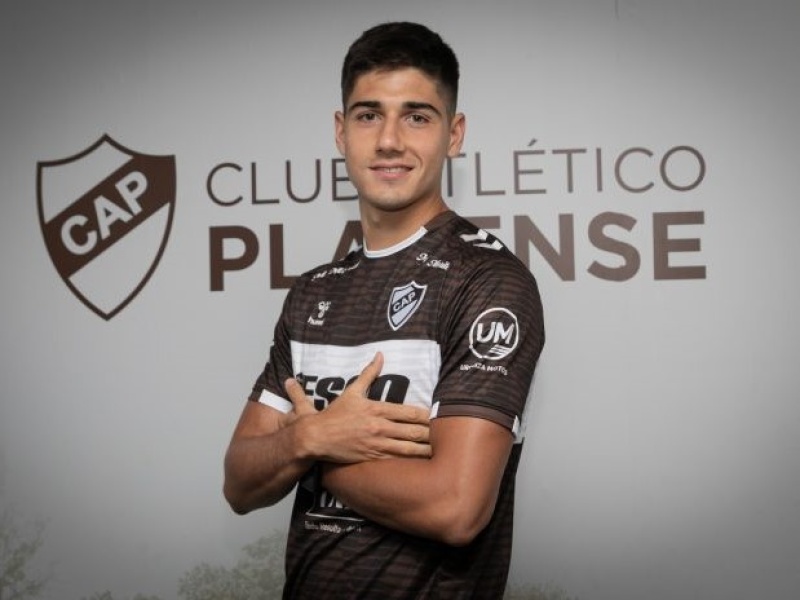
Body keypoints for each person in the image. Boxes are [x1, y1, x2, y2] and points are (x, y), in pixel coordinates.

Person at [223, 21, 545, 599]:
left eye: (417, 117)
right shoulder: (312, 293)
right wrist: (310, 438)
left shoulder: (487, 280)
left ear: (454, 134)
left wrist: (308, 448)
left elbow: (455, 507)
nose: (390, 141)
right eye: (369, 115)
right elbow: (239, 483)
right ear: (341, 132)